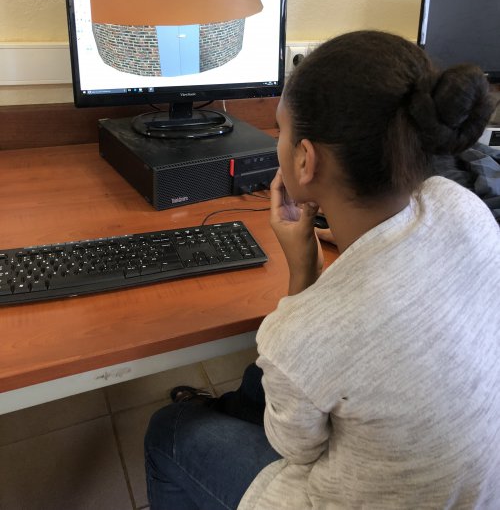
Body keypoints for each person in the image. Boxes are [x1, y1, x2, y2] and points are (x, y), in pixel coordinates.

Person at [144, 30, 500, 509]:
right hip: (475, 492)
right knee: (265, 380)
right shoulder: (464, 206)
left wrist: (302, 278)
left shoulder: (308, 333)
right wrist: (325, 254)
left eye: (280, 130)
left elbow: (294, 447)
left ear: (305, 160)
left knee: (170, 430)